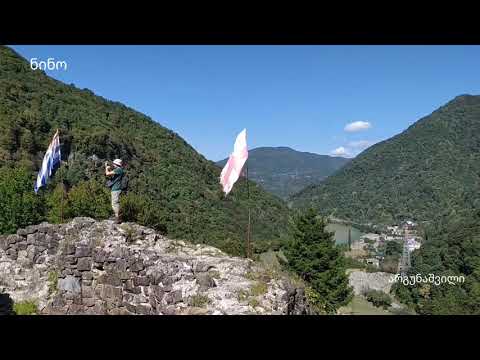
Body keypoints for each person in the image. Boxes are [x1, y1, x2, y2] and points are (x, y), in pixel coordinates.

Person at [105, 158, 125, 224]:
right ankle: (118, 217)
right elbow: (111, 174)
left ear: (116, 164)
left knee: (115, 204)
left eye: (114, 164)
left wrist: (106, 168)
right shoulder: (118, 170)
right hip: (115, 189)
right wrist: (109, 168)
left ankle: (118, 218)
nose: (113, 165)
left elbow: (107, 174)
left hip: (116, 189)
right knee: (115, 203)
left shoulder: (119, 170)